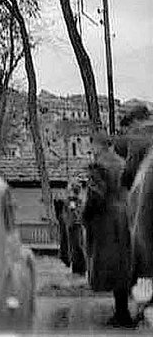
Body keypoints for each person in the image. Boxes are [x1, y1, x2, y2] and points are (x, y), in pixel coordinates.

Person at [82, 135, 137, 328]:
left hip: (107, 220)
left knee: (111, 266)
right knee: (123, 265)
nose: (92, 150)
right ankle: (124, 311)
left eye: (92, 146)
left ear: (98, 146)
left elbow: (96, 194)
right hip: (126, 216)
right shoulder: (123, 163)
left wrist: (86, 215)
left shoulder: (99, 166)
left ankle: (122, 314)